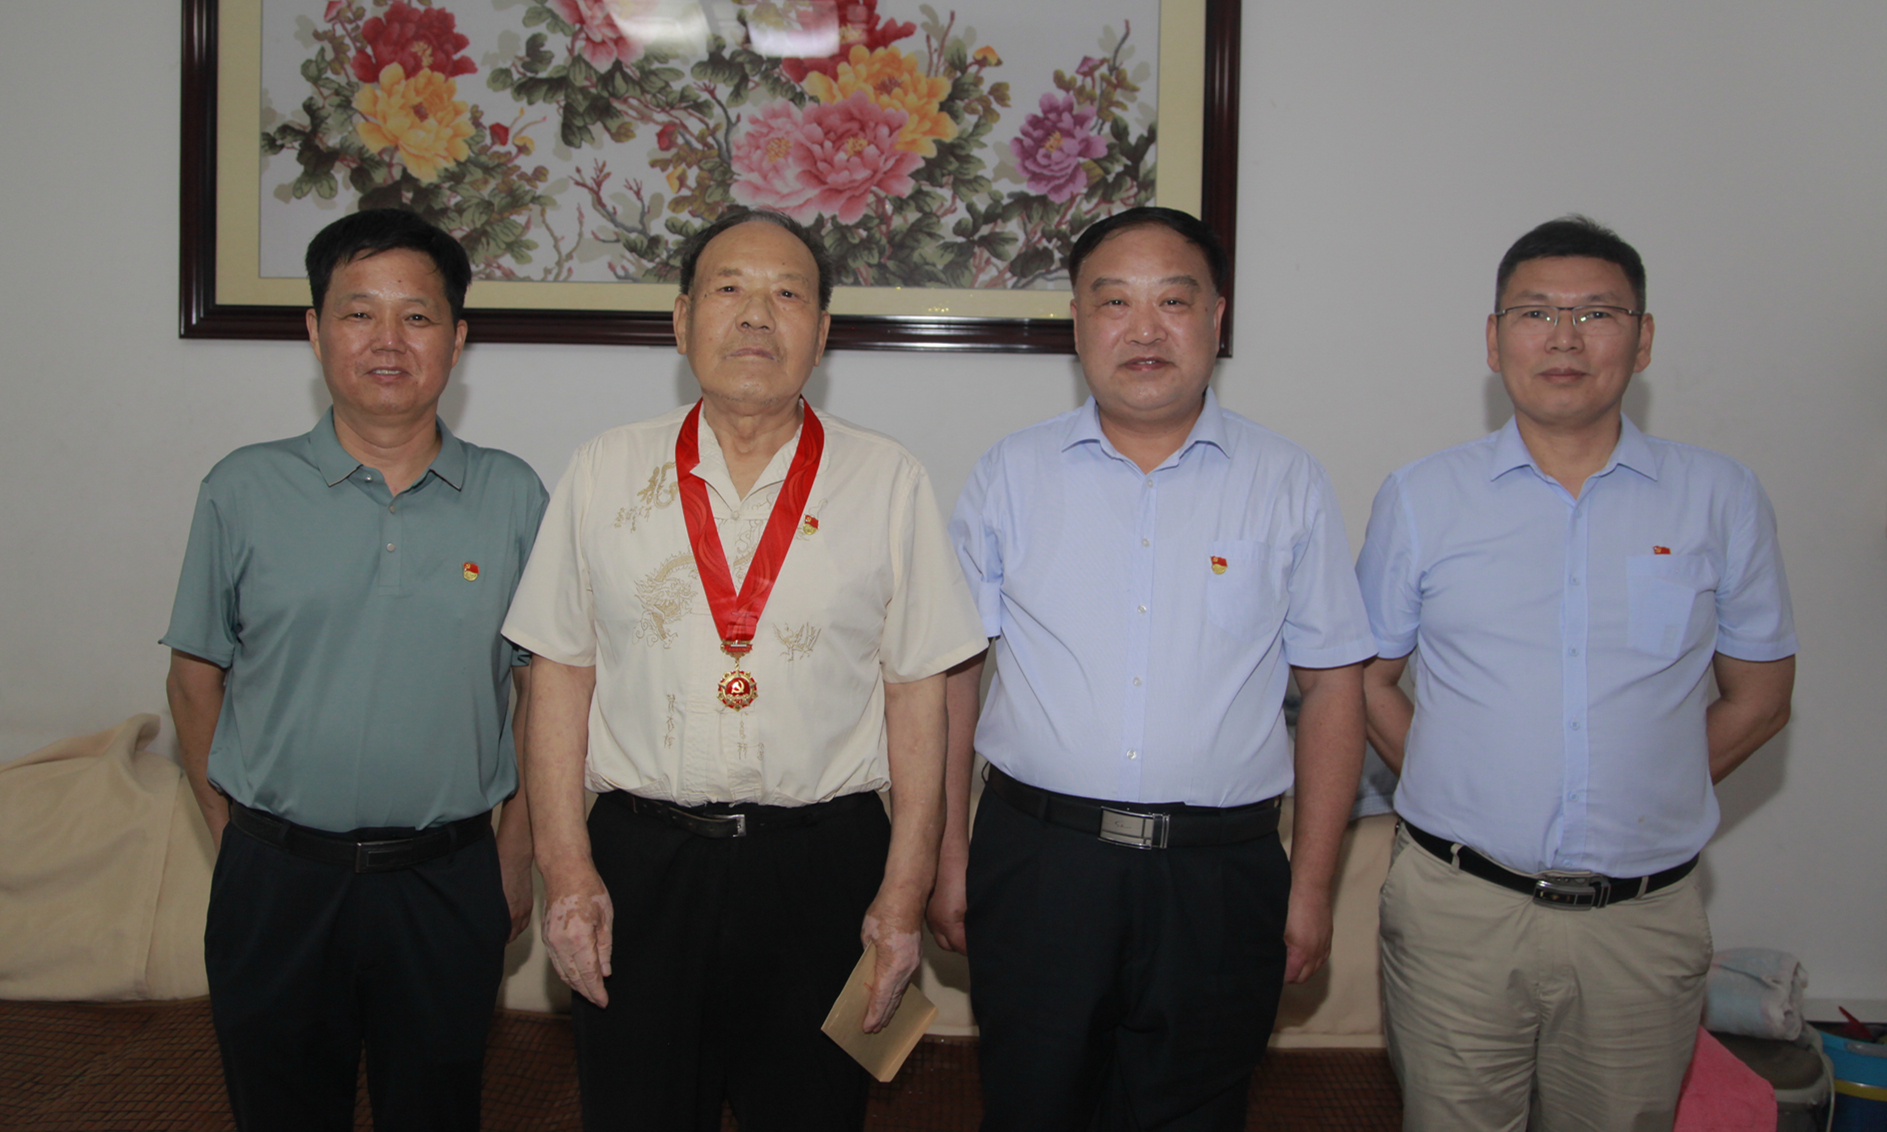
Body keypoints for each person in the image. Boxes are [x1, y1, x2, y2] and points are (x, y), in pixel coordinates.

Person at [502, 209, 985, 1130]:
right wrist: (565, 872)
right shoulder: (604, 469)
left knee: (815, 1110)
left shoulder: (887, 480)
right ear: (682, 320)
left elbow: (917, 695)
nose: (756, 315)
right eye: (729, 289)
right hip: (640, 861)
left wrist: (903, 893)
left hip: (826, 863)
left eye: (787, 294)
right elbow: (559, 675)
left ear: (822, 331)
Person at [932, 206, 1376, 1131]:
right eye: (1114, 302)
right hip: (1040, 865)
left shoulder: (1285, 480)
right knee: (1029, 1108)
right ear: (1076, 322)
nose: (1144, 330)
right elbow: (951, 678)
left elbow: (1334, 687)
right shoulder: (1011, 474)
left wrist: (1310, 887)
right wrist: (946, 857)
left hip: (1219, 877)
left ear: (1216, 317)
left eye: (1173, 301)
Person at [1355, 215, 1797, 1131]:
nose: (1563, 338)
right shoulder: (1422, 497)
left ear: (1643, 340)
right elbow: (1364, 680)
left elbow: (1759, 700)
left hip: (1640, 922)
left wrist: (1646, 784)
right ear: (1493, 340)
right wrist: (1444, 773)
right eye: (1534, 313)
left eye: (1596, 313)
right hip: (1458, 913)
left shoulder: (1719, 497)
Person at [162, 208, 547, 1130]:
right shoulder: (241, 489)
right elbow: (193, 680)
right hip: (276, 879)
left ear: (456, 339)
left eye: (416, 316)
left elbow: (545, 693)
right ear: (315, 329)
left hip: (447, 876)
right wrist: (234, 839)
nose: (387, 340)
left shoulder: (513, 495)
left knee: (438, 1108)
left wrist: (516, 855)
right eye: (358, 313)